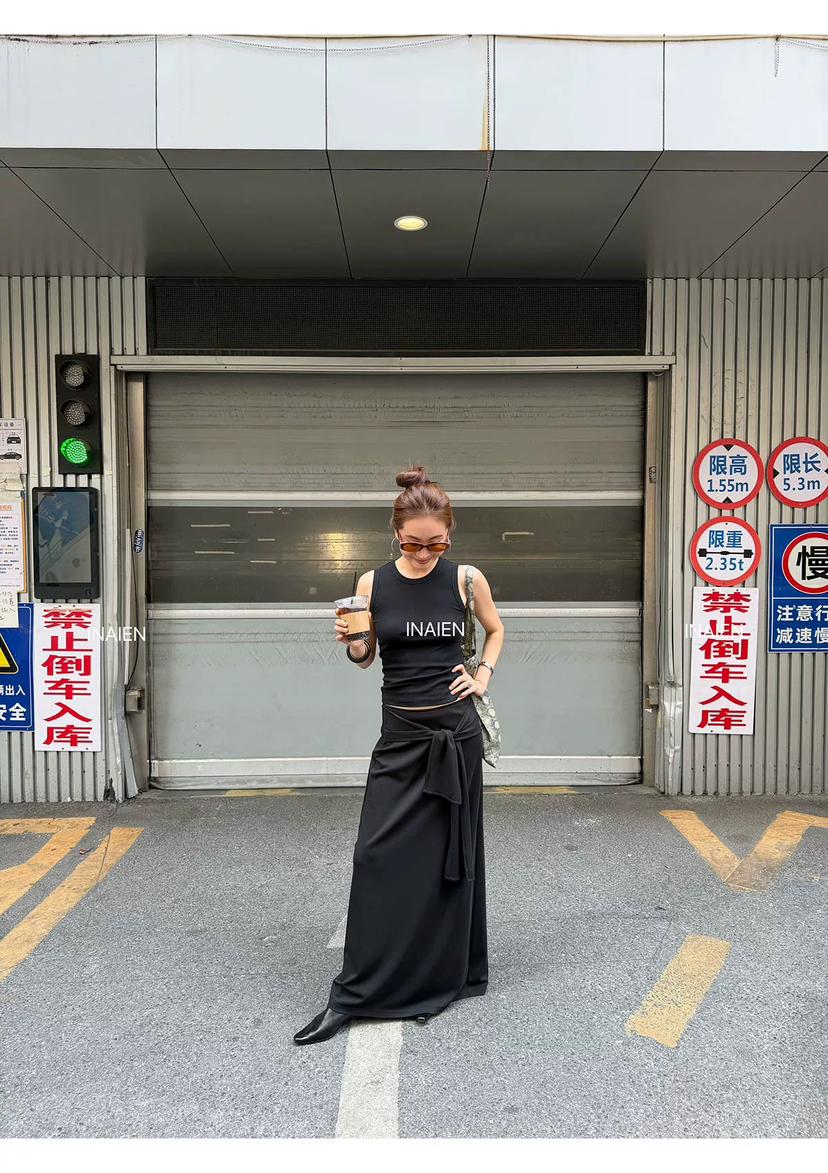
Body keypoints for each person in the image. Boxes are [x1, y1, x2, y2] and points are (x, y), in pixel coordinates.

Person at [293, 464, 505, 1045]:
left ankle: (441, 975)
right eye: (413, 544)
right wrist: (354, 642)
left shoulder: (466, 579)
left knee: (448, 857)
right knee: (377, 857)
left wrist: (482, 675)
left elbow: (495, 629)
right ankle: (357, 991)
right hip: (401, 736)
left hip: (455, 735)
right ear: (395, 535)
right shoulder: (372, 583)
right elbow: (365, 659)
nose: (424, 554)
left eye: (436, 544)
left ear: (449, 535)